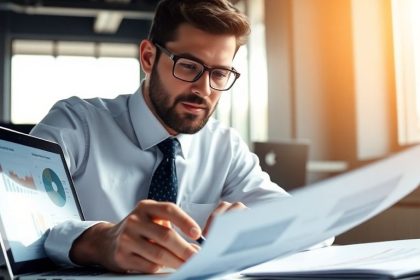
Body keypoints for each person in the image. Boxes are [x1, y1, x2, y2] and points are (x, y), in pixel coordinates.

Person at [31, 0, 289, 274]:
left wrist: (257, 227)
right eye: (189, 66)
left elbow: (303, 223)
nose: (203, 89)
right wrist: (97, 242)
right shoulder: (76, 124)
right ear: (148, 58)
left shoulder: (225, 146)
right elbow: (14, 219)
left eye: (220, 73)